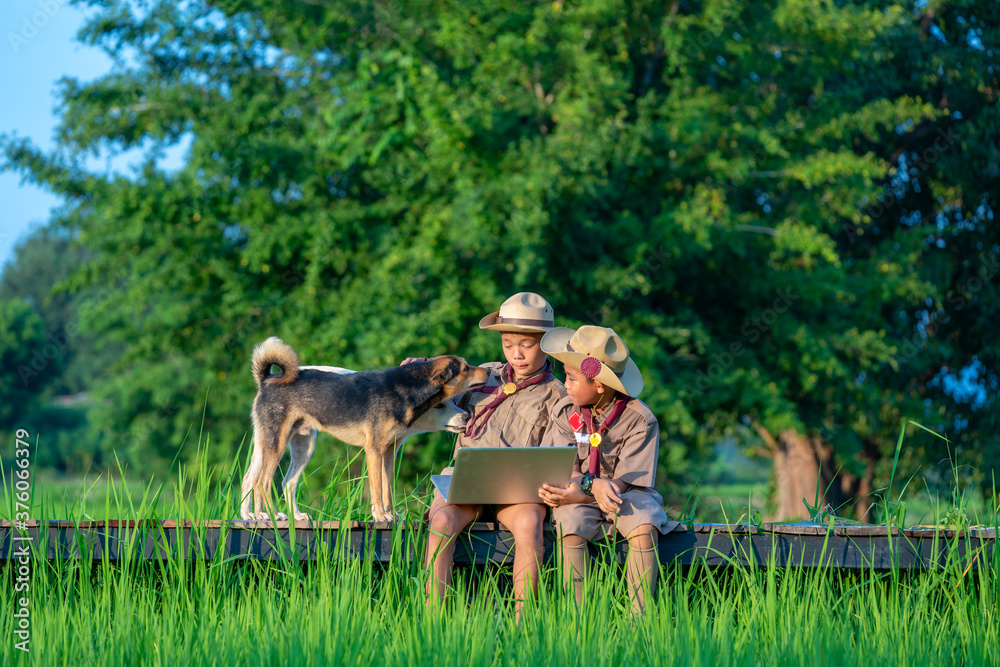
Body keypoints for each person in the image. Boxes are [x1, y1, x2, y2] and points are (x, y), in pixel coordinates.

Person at [408, 292, 566, 618]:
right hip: (467, 476)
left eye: (527, 344)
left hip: (518, 488)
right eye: (508, 344)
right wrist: (418, 376)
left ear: (546, 342)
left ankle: (524, 624)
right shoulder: (482, 375)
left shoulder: (556, 395)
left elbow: (557, 455)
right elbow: (436, 402)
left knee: (529, 522)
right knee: (440, 521)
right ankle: (433, 618)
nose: (516, 354)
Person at [537, 325, 678, 615]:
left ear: (599, 385)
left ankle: (639, 620)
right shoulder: (565, 412)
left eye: (571, 378)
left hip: (625, 493)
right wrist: (589, 487)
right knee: (569, 523)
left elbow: (628, 481)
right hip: (577, 490)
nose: (566, 384)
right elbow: (563, 465)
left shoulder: (640, 419)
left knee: (644, 524)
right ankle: (579, 619)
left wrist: (591, 489)